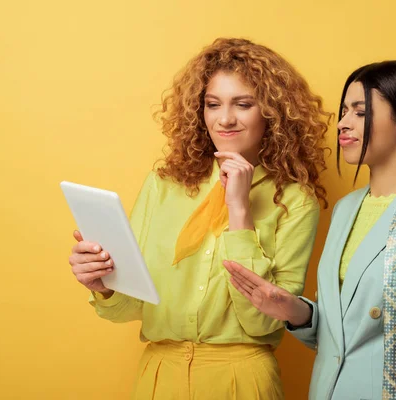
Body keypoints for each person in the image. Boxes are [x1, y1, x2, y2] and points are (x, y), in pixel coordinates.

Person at [67, 37, 331, 400]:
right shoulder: (163, 185)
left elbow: (263, 319)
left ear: (272, 112)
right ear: (199, 110)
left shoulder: (295, 201)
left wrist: (239, 208)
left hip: (241, 379)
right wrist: (103, 284)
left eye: (243, 104)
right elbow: (132, 306)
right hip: (159, 376)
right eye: (212, 104)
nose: (225, 119)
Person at [224, 60, 396, 400]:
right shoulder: (346, 209)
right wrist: (294, 311)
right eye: (344, 111)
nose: (343, 124)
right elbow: (344, 336)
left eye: (360, 113)